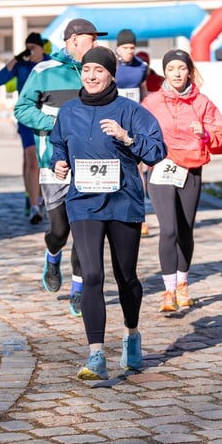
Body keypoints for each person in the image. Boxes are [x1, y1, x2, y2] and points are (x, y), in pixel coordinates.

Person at [49, 46, 167, 380]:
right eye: (86, 70)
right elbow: (58, 143)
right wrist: (59, 161)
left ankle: (131, 334)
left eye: (98, 70)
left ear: (112, 74)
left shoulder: (131, 110)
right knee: (92, 276)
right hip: (83, 201)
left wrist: (127, 138)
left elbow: (158, 149)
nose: (91, 76)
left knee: (125, 276)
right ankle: (95, 354)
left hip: (123, 202)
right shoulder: (69, 111)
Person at [14, 18, 107, 317]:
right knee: (60, 230)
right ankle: (52, 255)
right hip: (53, 164)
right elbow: (22, 108)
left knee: (84, 232)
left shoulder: (98, 73)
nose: (97, 44)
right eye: (93, 39)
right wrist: (55, 123)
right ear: (77, 40)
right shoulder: (44, 71)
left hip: (91, 166)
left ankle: (78, 291)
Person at [141, 49, 222, 312]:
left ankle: (182, 283)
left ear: (189, 71)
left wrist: (204, 135)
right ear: (165, 72)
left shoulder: (202, 103)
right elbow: (140, 132)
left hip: (191, 170)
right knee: (167, 229)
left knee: (184, 230)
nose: (177, 73)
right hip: (161, 169)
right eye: (171, 69)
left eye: (181, 68)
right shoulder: (152, 102)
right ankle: (168, 290)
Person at [0, 32, 51, 224]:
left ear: (41, 48)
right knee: (31, 159)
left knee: (44, 160)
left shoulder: (49, 63)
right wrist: (16, 59)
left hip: (46, 116)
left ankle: (41, 196)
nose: (31, 51)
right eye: (28, 47)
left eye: (33, 47)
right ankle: (34, 205)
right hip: (27, 118)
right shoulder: (22, 65)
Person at [114, 29, 151, 235]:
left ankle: (140, 216)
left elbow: (144, 91)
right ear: (118, 47)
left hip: (134, 123)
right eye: (125, 47)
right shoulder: (112, 64)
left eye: (132, 48)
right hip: (113, 121)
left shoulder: (142, 66)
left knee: (139, 170)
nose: (129, 51)